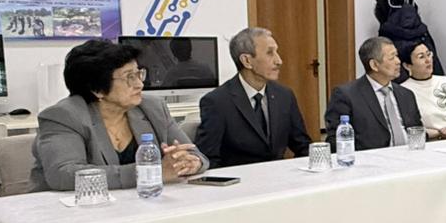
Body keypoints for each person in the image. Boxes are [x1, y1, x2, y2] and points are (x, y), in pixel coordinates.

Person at [30, 39, 208, 191]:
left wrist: (191, 163)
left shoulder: (152, 107)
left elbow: (196, 154)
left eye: (139, 74)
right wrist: (150, 173)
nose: (140, 84)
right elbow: (64, 175)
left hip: (138, 205)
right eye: (129, 77)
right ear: (97, 89)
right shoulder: (63, 116)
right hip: (70, 212)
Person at [195, 27, 311, 168]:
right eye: (270, 53)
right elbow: (207, 160)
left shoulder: (285, 95)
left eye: (276, 52)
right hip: (240, 179)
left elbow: (303, 146)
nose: (279, 60)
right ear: (247, 61)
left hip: (280, 177)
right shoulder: (217, 102)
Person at [324, 36, 422, 150]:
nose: (398, 61)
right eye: (392, 58)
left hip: (410, 155)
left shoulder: (406, 94)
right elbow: (337, 140)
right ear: (374, 65)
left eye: (397, 56)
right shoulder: (346, 95)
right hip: (371, 158)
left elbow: (418, 131)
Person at [399, 42, 446, 140]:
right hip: (430, 142)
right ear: (407, 65)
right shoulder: (403, 91)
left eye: (429, 54)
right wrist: (440, 133)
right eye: (421, 57)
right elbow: (409, 128)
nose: (428, 60)